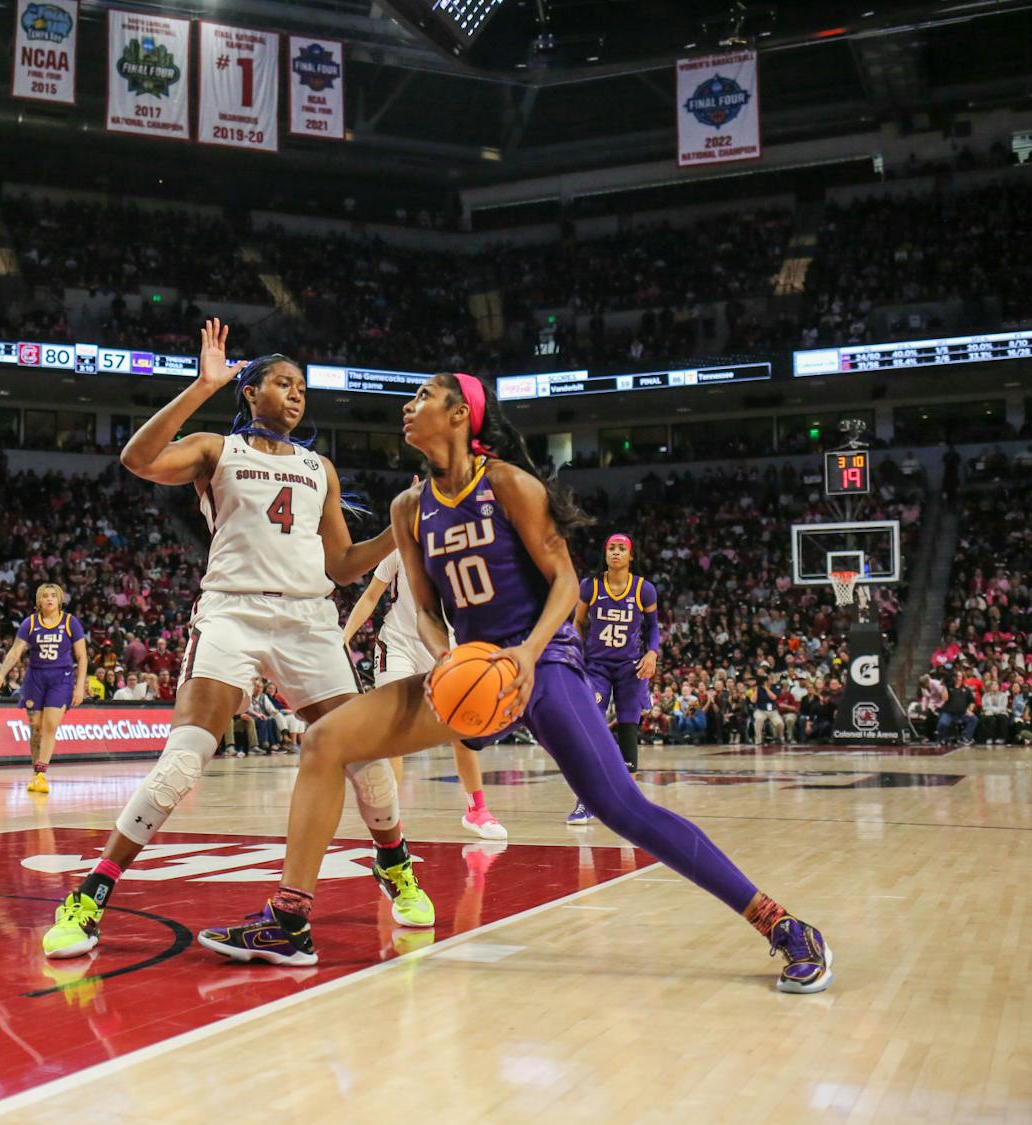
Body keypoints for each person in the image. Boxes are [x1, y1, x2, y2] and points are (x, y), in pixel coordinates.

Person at [199, 371, 833, 995]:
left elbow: (564, 581)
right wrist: (444, 655)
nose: (408, 406)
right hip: (470, 672)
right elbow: (422, 607)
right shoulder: (406, 507)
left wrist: (527, 655)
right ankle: (288, 921)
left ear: (459, 415)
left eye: (423, 395)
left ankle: (783, 925)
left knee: (622, 808)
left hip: (544, 664)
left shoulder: (507, 484)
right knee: (326, 741)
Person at [41, 320, 423, 961]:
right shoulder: (215, 449)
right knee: (184, 760)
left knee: (367, 759)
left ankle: (395, 864)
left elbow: (342, 567)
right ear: (250, 392)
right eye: (282, 382)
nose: (297, 394)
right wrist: (200, 386)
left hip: (309, 619)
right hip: (233, 614)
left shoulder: (318, 467)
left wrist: (398, 525)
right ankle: (90, 895)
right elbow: (138, 459)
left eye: (302, 386)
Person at [342, 546, 506, 840]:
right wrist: (344, 637)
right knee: (391, 731)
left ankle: (476, 810)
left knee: (461, 730)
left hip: (444, 646)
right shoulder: (397, 548)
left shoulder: (459, 549)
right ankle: (390, 820)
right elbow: (370, 596)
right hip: (398, 644)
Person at [568, 532, 660, 825]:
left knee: (628, 728)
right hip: (596, 666)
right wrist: (575, 654)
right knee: (592, 725)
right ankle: (586, 800)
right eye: (612, 548)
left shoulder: (643, 589)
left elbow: (654, 627)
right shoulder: (590, 586)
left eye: (622, 549)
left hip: (630, 667)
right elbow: (578, 623)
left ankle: (629, 800)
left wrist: (653, 653)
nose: (616, 552)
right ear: (605, 554)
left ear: (631, 556)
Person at [0, 584, 87, 793]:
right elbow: (15, 652)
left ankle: (42, 773)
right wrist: (1, 673)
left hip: (61, 678)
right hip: (35, 677)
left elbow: (82, 656)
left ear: (60, 599)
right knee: (35, 727)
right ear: (39, 601)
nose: (50, 599)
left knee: (50, 726)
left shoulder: (71, 622)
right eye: (45, 596)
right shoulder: (30, 622)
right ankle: (36, 773)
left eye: (54, 596)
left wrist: (80, 686)